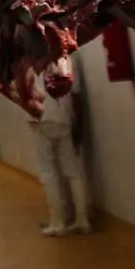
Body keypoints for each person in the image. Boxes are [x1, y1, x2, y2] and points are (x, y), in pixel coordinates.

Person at [31, 69, 92, 236]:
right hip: (65, 118)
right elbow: (76, 96)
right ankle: (82, 219)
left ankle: (57, 222)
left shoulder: (31, 61)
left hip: (41, 118)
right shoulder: (67, 59)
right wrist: (78, 125)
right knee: (72, 169)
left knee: (48, 170)